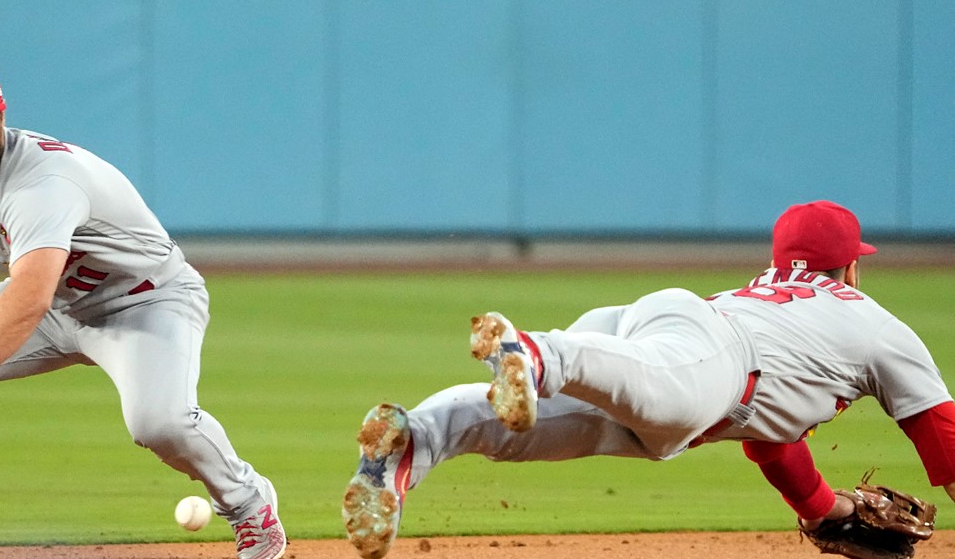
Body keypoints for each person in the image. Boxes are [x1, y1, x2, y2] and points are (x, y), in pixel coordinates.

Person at [0, 57, 287, 559]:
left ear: (1, 115)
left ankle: (248, 503)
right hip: (57, 303)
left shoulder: (43, 184)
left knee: (160, 422)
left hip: (145, 303)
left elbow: (27, 299)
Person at [341, 200, 955, 559]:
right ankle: (533, 352)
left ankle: (407, 448)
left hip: (667, 340)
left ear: (779, 260)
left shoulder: (768, 295)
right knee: (649, 391)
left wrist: (826, 511)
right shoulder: (876, 325)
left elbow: (774, 439)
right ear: (851, 267)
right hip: (704, 360)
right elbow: (944, 439)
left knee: (517, 428)